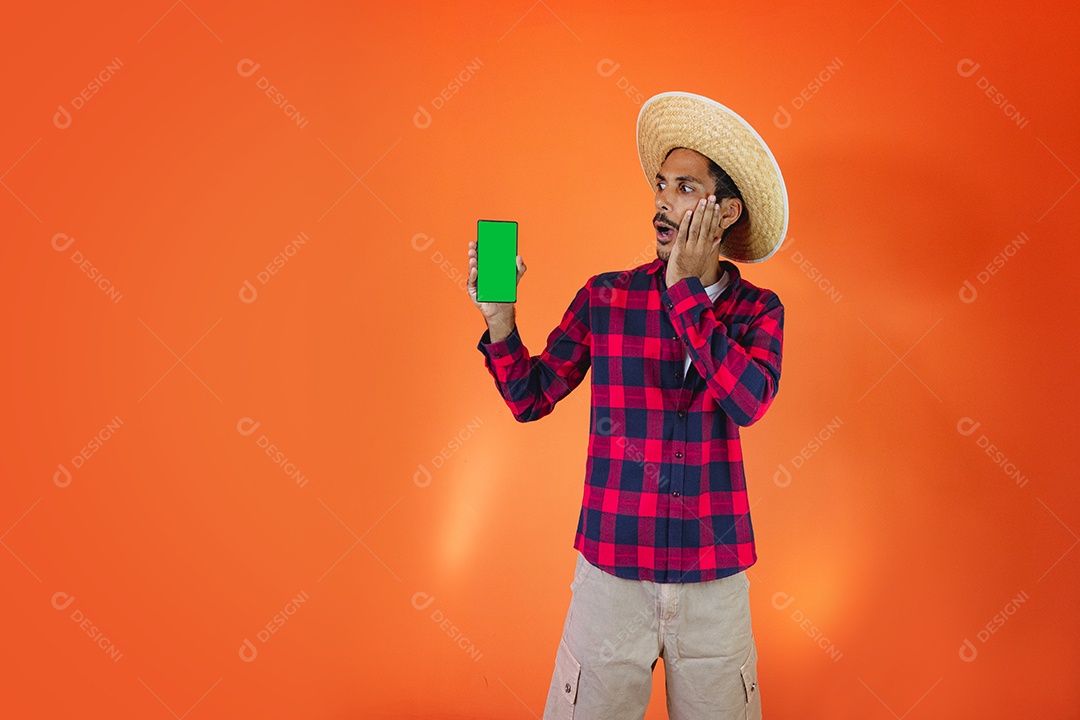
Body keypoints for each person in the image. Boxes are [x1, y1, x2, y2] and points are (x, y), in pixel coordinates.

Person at [466, 91, 788, 720]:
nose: (663, 203)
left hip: (713, 580)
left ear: (725, 212)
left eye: (686, 189)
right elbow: (530, 398)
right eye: (661, 185)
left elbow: (750, 402)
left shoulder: (758, 310)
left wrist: (685, 294)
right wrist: (501, 323)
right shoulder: (606, 297)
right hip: (610, 573)